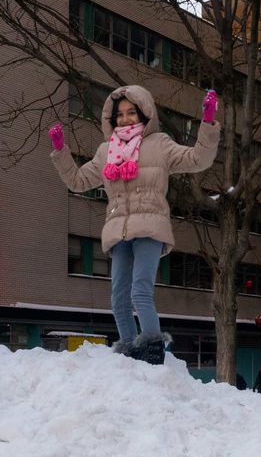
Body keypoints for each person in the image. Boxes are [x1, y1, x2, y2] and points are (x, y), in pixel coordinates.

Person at [50, 85, 220, 365]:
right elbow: (78, 181)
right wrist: (60, 152)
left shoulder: (159, 144)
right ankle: (129, 354)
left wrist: (208, 123)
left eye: (131, 112)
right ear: (112, 118)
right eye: (120, 114)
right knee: (118, 299)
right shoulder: (106, 151)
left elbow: (198, 159)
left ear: (144, 113)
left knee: (140, 291)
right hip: (119, 230)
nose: (125, 118)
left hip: (150, 227)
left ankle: (152, 349)